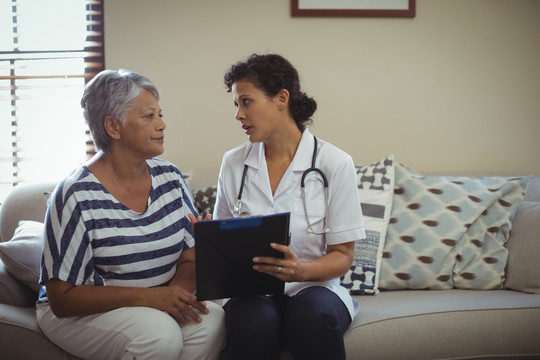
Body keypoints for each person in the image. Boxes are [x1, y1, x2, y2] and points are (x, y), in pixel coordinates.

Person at [36, 69, 226, 360]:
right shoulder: (75, 194)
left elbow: (190, 256)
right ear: (113, 127)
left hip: (152, 304)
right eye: (149, 116)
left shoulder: (170, 178)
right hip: (80, 314)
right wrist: (151, 299)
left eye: (160, 114)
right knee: (159, 334)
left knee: (210, 319)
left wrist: (172, 297)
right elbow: (62, 298)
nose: (162, 125)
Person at [214, 54, 366, 360]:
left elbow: (343, 256)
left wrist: (300, 271)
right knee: (254, 322)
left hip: (316, 289)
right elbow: (222, 249)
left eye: (246, 102)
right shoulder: (234, 163)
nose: (238, 115)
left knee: (310, 317)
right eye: (236, 104)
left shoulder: (334, 163)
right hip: (252, 291)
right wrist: (206, 239)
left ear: (281, 98)